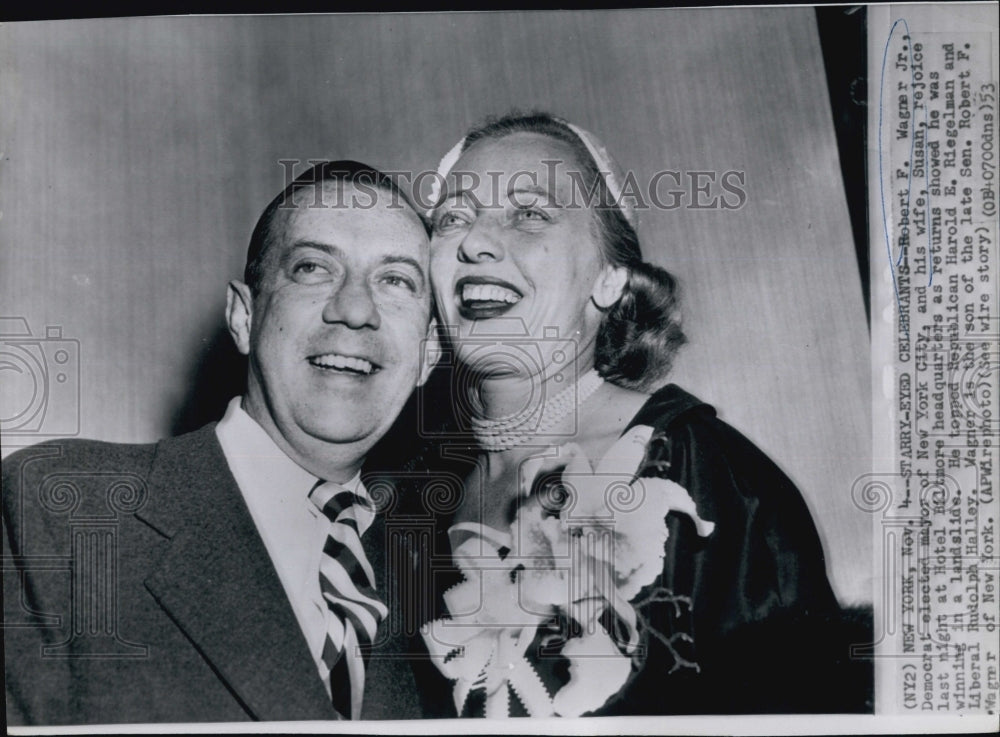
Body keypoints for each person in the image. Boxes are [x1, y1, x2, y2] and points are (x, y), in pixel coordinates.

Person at [404, 112, 871, 717]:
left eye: (531, 214)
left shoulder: (705, 475)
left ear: (610, 278)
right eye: (454, 218)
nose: (476, 241)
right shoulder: (403, 505)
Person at [2, 161, 440, 724]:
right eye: (312, 268)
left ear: (428, 353)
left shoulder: (439, 585)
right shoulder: (63, 510)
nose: (354, 310)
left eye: (396, 281)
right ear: (243, 316)